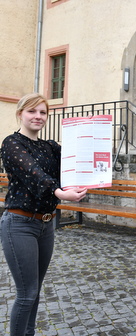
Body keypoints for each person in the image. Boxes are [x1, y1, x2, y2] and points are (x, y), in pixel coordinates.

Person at [0, 93, 87, 336]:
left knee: (34, 291)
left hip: (45, 226)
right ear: (20, 114)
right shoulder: (11, 143)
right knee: (26, 294)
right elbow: (34, 173)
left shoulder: (51, 146)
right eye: (32, 111)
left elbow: (74, 162)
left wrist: (90, 171)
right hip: (19, 224)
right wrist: (58, 191)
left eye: (42, 112)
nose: (38, 116)